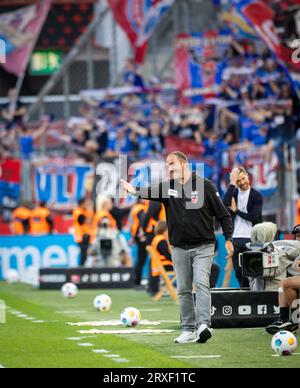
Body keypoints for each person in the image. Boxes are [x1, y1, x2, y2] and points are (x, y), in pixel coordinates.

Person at [121, 151, 234, 344]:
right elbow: (149, 191)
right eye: (167, 164)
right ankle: (188, 329)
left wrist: (228, 238)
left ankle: (204, 325)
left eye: (171, 163)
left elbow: (223, 215)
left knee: (201, 283)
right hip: (178, 247)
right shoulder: (168, 187)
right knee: (182, 288)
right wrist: (133, 190)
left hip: (203, 245)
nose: (168, 167)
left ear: (183, 164)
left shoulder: (205, 185)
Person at [223, 167, 263, 288]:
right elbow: (224, 202)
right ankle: (244, 295)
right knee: (238, 272)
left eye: (244, 178)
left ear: (247, 175)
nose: (242, 182)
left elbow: (255, 217)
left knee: (253, 271)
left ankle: (254, 296)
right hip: (236, 238)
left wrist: (237, 211)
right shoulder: (234, 193)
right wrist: (232, 184)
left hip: (252, 239)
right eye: (239, 180)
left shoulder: (256, 195)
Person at [129, 199, 148, 289]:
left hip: (136, 235)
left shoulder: (136, 207)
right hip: (141, 236)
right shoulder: (141, 208)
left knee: (140, 259)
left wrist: (133, 237)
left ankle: (136, 280)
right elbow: (142, 221)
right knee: (141, 260)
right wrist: (142, 232)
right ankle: (137, 281)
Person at [151, 221, 174, 296]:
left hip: (159, 266)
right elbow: (167, 255)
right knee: (187, 267)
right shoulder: (161, 241)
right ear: (164, 230)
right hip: (165, 266)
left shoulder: (156, 239)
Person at [73, 198, 94, 267]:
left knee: (85, 254)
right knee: (83, 254)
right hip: (81, 236)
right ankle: (80, 270)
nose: (87, 205)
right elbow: (87, 221)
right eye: (86, 203)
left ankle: (81, 269)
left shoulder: (86, 211)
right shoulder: (78, 212)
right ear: (82, 204)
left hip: (86, 235)